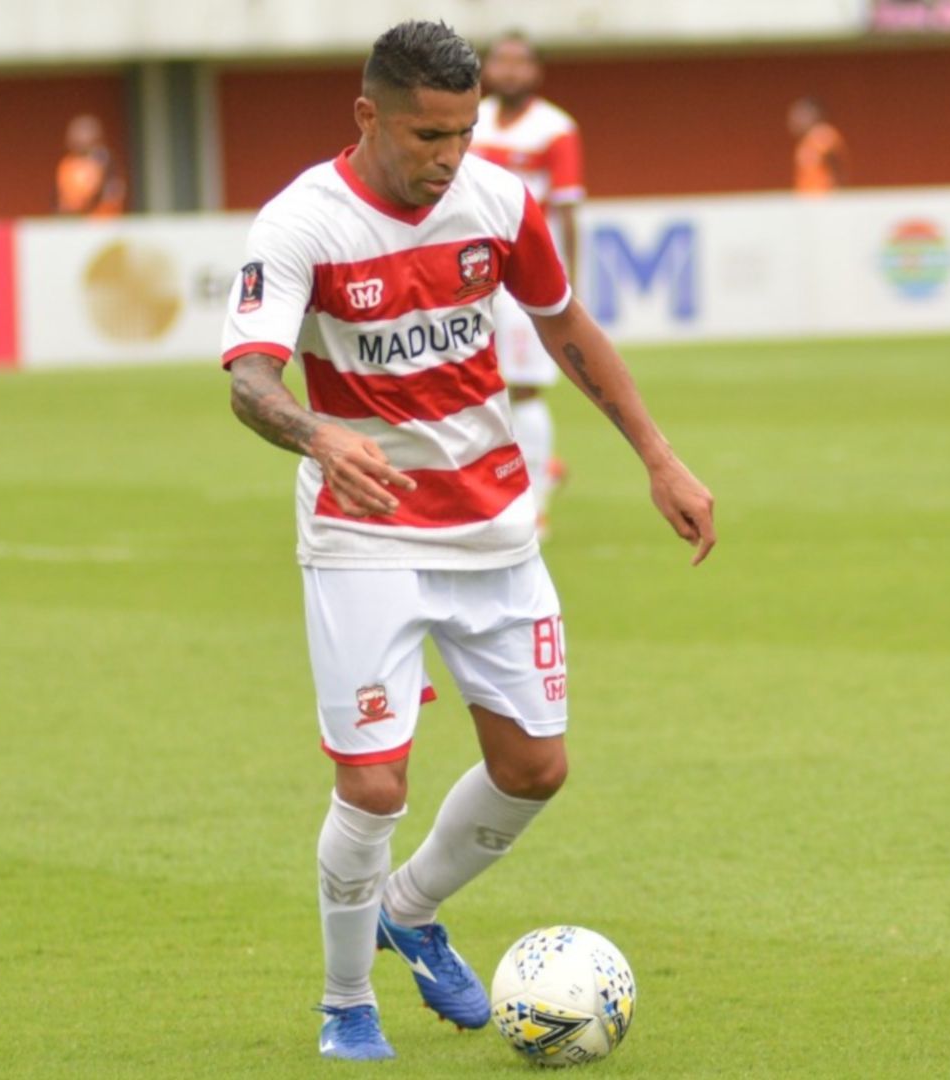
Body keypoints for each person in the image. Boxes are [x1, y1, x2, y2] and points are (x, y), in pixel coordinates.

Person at [219, 20, 716, 1060]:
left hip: (494, 527)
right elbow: (252, 379)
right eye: (427, 135)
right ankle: (346, 1003)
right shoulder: (300, 224)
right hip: (364, 534)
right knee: (373, 785)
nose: (449, 157)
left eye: (463, 132)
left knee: (535, 769)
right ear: (369, 116)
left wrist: (659, 457)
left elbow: (567, 327)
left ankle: (407, 910)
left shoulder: (497, 200)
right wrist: (319, 434)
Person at [471, 31, 585, 536]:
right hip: (473, 272)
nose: (510, 70)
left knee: (524, 386)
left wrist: (568, 286)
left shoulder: (555, 128)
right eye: (502, 61)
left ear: (536, 71)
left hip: (526, 275)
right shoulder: (471, 120)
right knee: (480, 385)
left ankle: (535, 499)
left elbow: (568, 208)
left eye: (520, 62)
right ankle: (536, 468)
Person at [56, 113, 125, 216]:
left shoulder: (103, 160)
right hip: (74, 218)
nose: (78, 136)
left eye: (84, 131)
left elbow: (112, 192)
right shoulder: (68, 163)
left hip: (101, 218)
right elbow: (64, 198)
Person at [788, 96, 847, 196]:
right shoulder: (805, 141)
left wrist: (834, 194)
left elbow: (838, 168)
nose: (795, 119)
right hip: (808, 198)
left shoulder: (823, 135)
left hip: (823, 198)